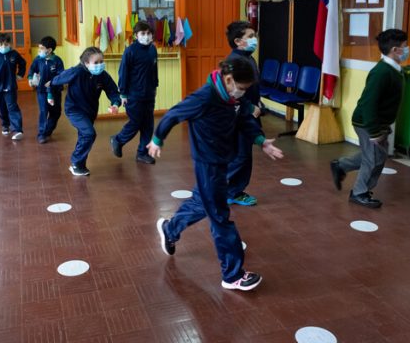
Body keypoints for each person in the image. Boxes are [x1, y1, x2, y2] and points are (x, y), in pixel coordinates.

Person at [150, 56, 284, 292]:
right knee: (220, 217)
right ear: (229, 79)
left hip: (223, 160)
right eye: (242, 89)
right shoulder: (204, 97)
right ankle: (232, 275)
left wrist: (262, 141)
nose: (243, 93)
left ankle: (170, 229)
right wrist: (157, 139)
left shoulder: (233, 98)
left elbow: (244, 119)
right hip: (207, 163)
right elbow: (172, 115)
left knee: (203, 202)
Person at [330, 29, 408, 208]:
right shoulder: (381, 72)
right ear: (395, 49)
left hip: (378, 122)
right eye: (404, 47)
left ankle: (340, 165)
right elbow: (369, 103)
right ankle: (359, 193)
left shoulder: (393, 69)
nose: (406, 50)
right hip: (367, 123)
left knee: (375, 156)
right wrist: (373, 131)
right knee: (373, 159)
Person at [51, 47, 121, 176]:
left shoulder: (103, 76)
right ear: (86, 63)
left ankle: (79, 165)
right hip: (74, 110)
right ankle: (76, 162)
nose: (100, 65)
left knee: (84, 136)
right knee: (89, 134)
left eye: (102, 61)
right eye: (96, 62)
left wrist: (115, 104)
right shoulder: (76, 72)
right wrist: (50, 94)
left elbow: (113, 92)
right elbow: (55, 81)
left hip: (90, 111)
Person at [224, 21, 262, 207]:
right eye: (250, 36)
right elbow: (233, 91)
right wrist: (249, 107)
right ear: (238, 41)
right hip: (237, 117)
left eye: (255, 35)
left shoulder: (249, 58)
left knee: (245, 156)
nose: (255, 39)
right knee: (240, 156)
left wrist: (258, 102)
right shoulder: (235, 61)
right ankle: (222, 188)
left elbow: (252, 87)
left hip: (249, 116)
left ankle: (236, 191)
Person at [110, 21, 158, 164]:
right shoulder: (130, 51)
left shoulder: (152, 49)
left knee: (148, 125)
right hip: (133, 95)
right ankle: (118, 140)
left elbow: (154, 70)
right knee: (136, 122)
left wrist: (155, 87)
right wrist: (123, 94)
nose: (146, 36)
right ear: (136, 35)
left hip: (149, 94)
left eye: (148, 33)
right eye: (143, 34)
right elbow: (123, 72)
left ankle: (142, 153)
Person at [0, 33, 26, 140]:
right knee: (2, 107)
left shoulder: (14, 54)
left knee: (12, 106)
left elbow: (23, 63)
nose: (3, 47)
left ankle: (17, 130)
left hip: (10, 85)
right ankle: (5, 124)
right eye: (1, 44)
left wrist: (20, 74)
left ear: (9, 44)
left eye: (6, 44)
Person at [28, 36, 64, 144]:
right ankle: (42, 134)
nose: (39, 51)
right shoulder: (38, 59)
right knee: (44, 111)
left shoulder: (57, 61)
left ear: (49, 50)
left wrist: (52, 85)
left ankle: (48, 130)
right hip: (42, 92)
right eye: (39, 48)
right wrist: (30, 78)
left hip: (55, 92)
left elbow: (61, 76)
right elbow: (32, 69)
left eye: (42, 48)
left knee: (56, 113)